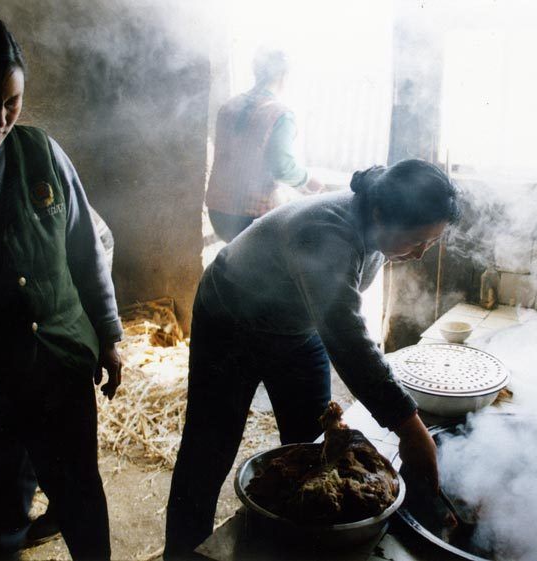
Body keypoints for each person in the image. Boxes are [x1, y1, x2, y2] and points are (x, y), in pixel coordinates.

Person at [164, 158, 459, 558]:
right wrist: (409, 426)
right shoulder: (327, 232)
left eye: (431, 243)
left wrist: (405, 421)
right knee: (208, 449)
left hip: (294, 324)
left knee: (321, 445)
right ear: (380, 213)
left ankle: (302, 544)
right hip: (230, 318)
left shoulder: (375, 219)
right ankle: (183, 553)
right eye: (416, 241)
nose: (422, 254)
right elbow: (347, 339)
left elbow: (343, 319)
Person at [0, 12, 123, 560]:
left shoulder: (42, 152)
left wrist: (108, 333)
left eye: (11, 101)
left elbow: (85, 247)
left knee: (80, 492)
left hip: (59, 366)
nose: (1, 118)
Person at [204, 48, 324, 242]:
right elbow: (282, 167)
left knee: (238, 261)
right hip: (250, 217)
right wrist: (307, 180)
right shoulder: (280, 114)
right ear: (284, 76)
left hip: (218, 212)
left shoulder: (229, 107)